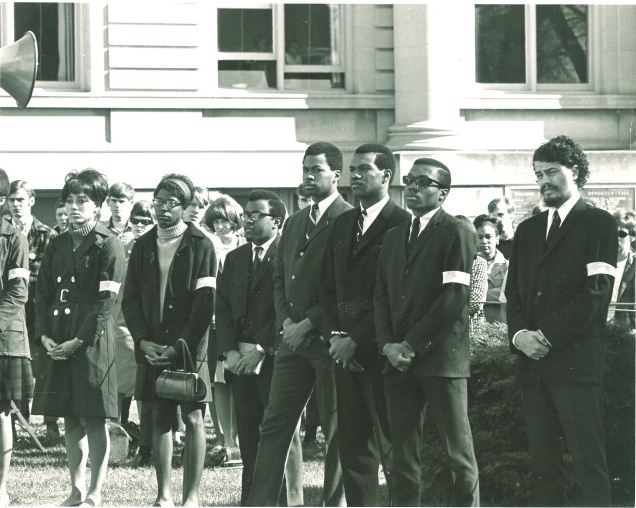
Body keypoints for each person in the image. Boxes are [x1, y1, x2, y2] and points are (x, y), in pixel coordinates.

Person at [505, 135, 618, 506]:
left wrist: (545, 336)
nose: (543, 181)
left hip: (576, 365)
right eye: (538, 173)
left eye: (552, 172)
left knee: (589, 463)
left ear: (576, 172)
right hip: (532, 367)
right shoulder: (527, 231)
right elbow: (515, 295)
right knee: (543, 466)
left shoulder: (598, 223)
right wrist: (520, 335)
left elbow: (596, 293)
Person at [248, 142, 350, 507]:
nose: (308, 176)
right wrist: (287, 323)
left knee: (336, 430)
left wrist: (308, 323)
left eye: (317, 170)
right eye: (305, 168)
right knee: (275, 425)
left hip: (327, 342)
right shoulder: (292, 222)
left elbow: (345, 286)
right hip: (292, 343)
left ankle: (333, 502)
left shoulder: (348, 219)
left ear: (336, 175)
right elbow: (279, 280)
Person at [374, 158, 479, 506]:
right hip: (398, 361)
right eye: (409, 180)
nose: (413, 188)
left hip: (440, 359)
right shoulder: (393, 236)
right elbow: (381, 297)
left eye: (423, 182)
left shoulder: (456, 231)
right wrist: (388, 344)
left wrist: (410, 344)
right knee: (401, 456)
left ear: (443, 193)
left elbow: (454, 297)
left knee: (457, 453)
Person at [320, 144, 410, 506]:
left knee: (393, 446)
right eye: (352, 169)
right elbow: (326, 289)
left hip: (382, 353)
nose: (354, 175)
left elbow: (394, 296)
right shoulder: (342, 223)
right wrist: (337, 339)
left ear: (386, 175)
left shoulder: (402, 223)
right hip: (344, 354)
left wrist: (355, 340)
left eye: (363, 169)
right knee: (355, 447)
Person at [32, 168, 126, 507]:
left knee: (93, 417)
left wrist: (79, 341)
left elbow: (106, 302)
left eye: (82, 201)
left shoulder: (108, 243)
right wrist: (43, 336)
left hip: (92, 343)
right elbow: (41, 294)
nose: (74, 207)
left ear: (98, 206)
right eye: (69, 201)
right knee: (70, 416)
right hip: (57, 340)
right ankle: (75, 490)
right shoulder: (56, 242)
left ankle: (96, 492)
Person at [122, 174, 215, 507]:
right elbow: (129, 299)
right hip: (152, 346)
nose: (162, 209)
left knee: (192, 418)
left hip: (189, 347)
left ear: (185, 207)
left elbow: (205, 304)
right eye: (158, 202)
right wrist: (143, 340)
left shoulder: (201, 245)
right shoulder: (143, 244)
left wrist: (180, 345)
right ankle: (163, 496)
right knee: (160, 417)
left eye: (171, 203)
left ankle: (191, 496)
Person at [216, 189, 303, 506]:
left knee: (282, 435)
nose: (248, 221)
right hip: (241, 364)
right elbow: (222, 309)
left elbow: (291, 308)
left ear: (277, 221)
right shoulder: (234, 258)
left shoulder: (289, 255)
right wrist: (231, 352)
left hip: (278, 359)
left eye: (256, 215)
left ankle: (289, 502)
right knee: (249, 438)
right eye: (245, 215)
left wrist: (262, 348)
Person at [6, 180, 58, 441]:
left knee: (44, 366)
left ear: (31, 201)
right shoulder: (4, 232)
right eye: (12, 199)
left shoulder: (46, 234)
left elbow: (51, 277)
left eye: (20, 199)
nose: (16, 204)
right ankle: (16, 425)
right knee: (16, 370)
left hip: (39, 309)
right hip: (12, 311)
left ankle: (50, 424)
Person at [202, 195, 245, 462]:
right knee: (217, 383)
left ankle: (237, 440)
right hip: (215, 324)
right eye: (216, 220)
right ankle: (221, 439)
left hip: (241, 324)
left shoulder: (246, 244)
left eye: (225, 220)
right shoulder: (210, 246)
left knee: (238, 380)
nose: (221, 226)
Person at [0, 168, 31, 508]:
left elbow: (17, 292)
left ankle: (1, 487)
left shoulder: (14, 238)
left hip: (3, 339)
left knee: (0, 413)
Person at [117, 200, 155, 467]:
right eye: (136, 220)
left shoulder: (158, 246)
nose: (140, 225)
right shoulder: (121, 245)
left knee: (146, 390)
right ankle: (120, 436)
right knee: (123, 386)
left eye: (145, 220)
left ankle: (149, 442)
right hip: (121, 322)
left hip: (150, 325)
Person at [473, 214, 508, 324]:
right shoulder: (469, 264)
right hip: (475, 323)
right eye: (480, 237)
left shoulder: (508, 266)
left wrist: (478, 293)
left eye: (488, 237)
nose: (484, 241)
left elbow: (507, 293)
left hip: (499, 322)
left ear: (497, 239)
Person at [456, 216, 488, 331]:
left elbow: (476, 301)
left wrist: (446, 310)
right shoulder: (443, 263)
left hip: (472, 327)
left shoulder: (478, 263)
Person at [609, 210, 635, 328]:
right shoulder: (596, 262)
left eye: (622, 234)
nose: (615, 239)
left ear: (633, 237)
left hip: (626, 335)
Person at [102, 182, 135, 246]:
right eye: (114, 201)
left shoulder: (138, 229)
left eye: (121, 201)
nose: (117, 205)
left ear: (131, 203)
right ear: (108, 202)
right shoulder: (101, 229)